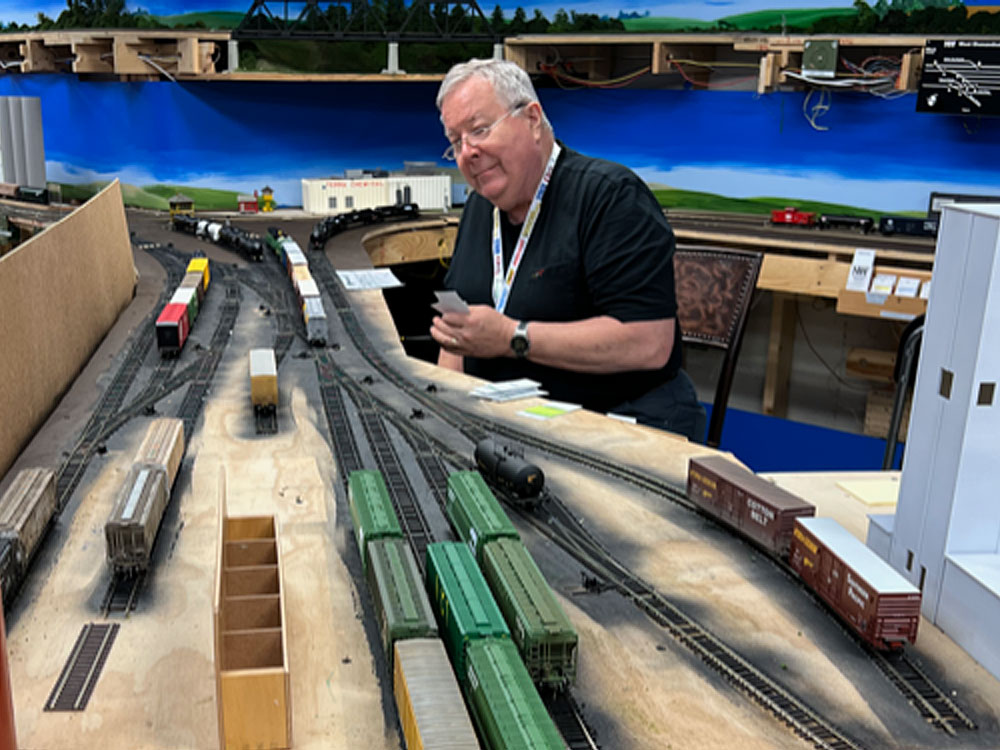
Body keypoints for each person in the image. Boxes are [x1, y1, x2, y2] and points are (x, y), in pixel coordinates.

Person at [430, 58, 706, 442]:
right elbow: (456, 335)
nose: (468, 152)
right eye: (455, 142)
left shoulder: (610, 197)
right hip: (511, 425)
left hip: (613, 423)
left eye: (479, 130)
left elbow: (649, 342)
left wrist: (513, 337)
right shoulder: (480, 207)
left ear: (532, 119)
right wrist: (443, 413)